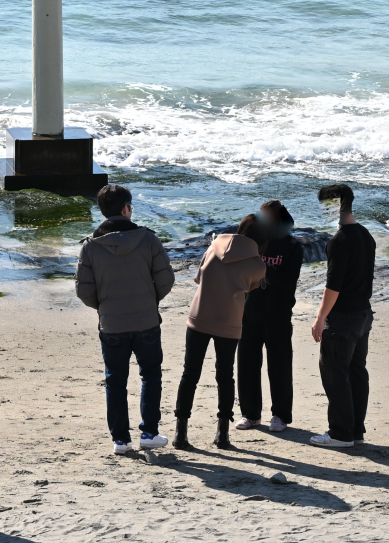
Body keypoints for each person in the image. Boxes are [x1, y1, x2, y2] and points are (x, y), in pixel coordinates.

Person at [75, 183, 175, 455]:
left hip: (111, 324)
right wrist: (149, 301)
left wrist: (105, 306)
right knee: (151, 375)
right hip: (146, 322)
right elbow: (166, 280)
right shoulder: (149, 239)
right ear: (125, 209)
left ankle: (120, 440)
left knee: (115, 381)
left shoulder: (91, 246)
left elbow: (84, 290)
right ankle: (149, 433)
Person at [173, 213, 266, 450]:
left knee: (189, 374)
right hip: (229, 322)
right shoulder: (258, 264)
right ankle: (222, 434)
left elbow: (199, 278)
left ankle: (180, 433)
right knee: (225, 376)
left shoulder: (214, 245)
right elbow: (250, 288)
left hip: (199, 317)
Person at [309, 182, 377, 448]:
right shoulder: (365, 235)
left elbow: (333, 286)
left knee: (335, 371)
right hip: (363, 315)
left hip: (344, 318)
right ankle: (355, 430)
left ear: (335, 206)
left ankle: (340, 433)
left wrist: (319, 318)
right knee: (357, 371)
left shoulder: (339, 241)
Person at [235, 200, 302, 432]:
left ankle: (280, 415)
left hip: (279, 314)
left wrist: (263, 267)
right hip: (249, 312)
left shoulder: (293, 246)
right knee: (246, 364)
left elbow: (287, 281)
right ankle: (250, 414)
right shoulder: (253, 242)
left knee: (280, 366)